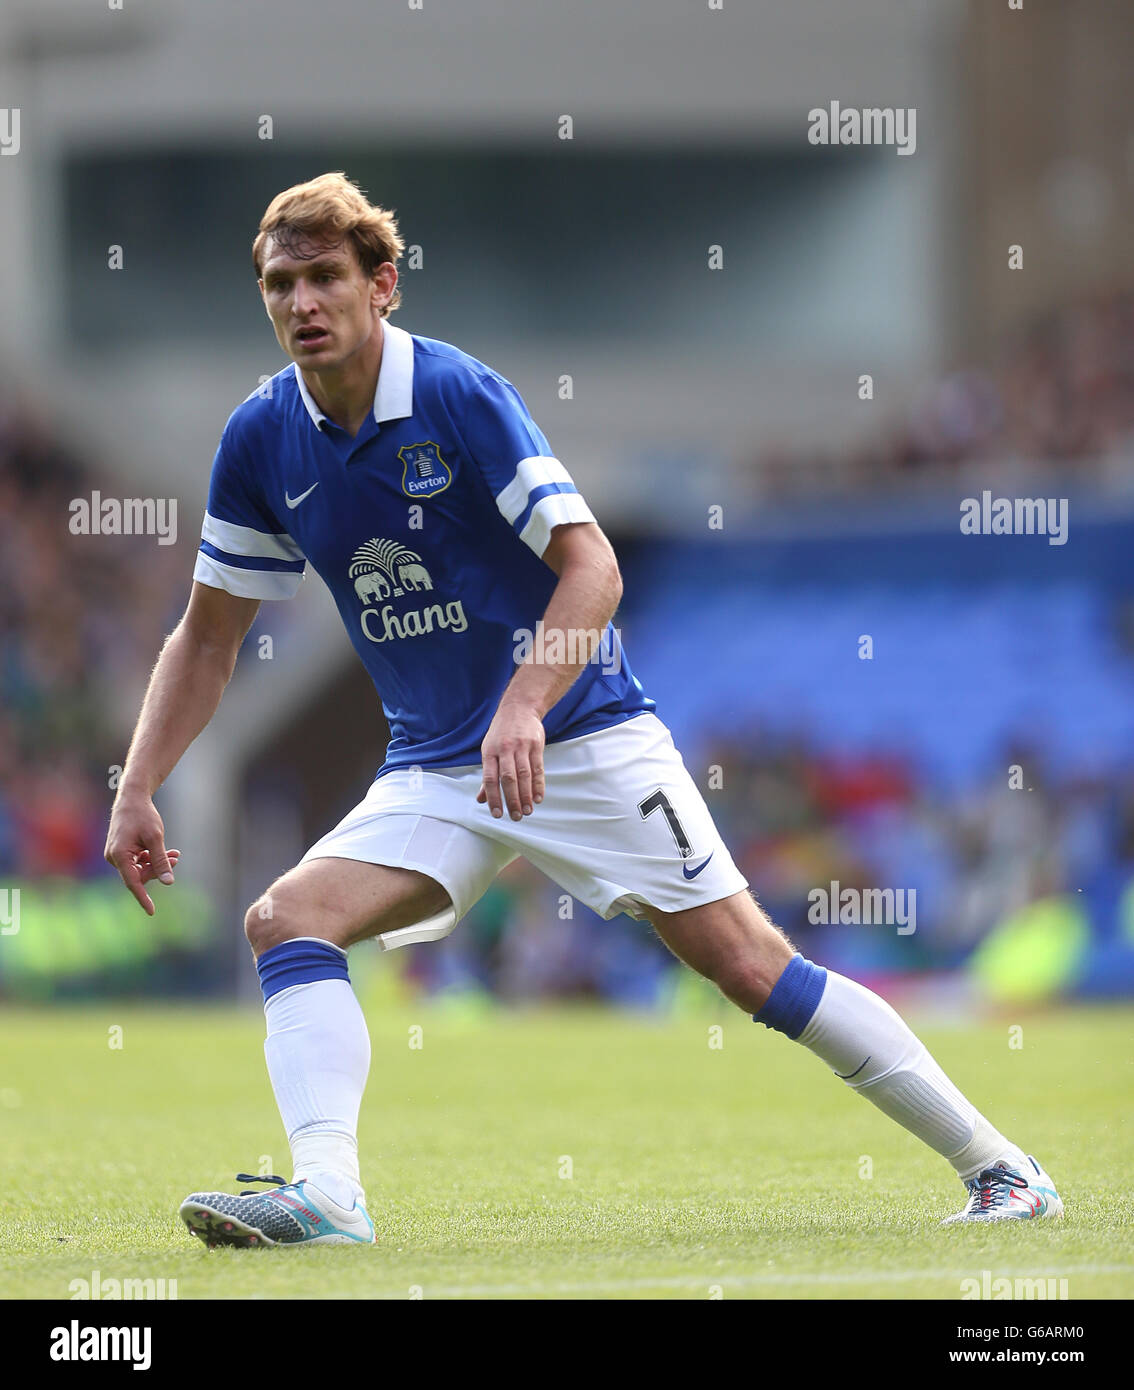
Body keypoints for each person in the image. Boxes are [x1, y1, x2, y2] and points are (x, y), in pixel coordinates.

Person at [105, 172, 1062, 1248]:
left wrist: (525, 703)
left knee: (751, 967)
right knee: (286, 920)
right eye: (280, 284)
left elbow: (592, 565)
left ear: (384, 286)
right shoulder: (262, 438)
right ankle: (329, 1197)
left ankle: (1003, 1167)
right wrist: (140, 785)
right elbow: (207, 635)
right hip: (437, 766)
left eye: (325, 277)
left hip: (584, 738)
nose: (301, 303)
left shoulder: (457, 396)